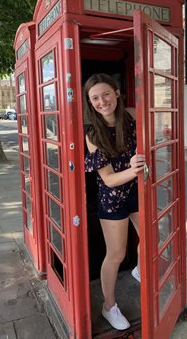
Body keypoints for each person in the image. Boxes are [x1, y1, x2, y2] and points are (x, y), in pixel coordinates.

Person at [84, 73, 145, 330]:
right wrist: (134, 169)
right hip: (112, 200)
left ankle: (141, 268)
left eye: (106, 94)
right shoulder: (93, 134)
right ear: (90, 102)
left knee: (151, 239)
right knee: (116, 253)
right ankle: (108, 306)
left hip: (139, 190)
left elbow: (156, 132)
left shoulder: (131, 115)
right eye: (95, 98)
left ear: (117, 93)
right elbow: (108, 179)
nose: (102, 101)